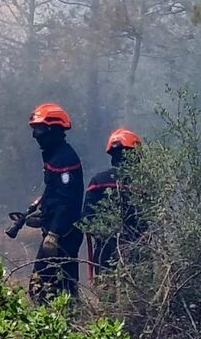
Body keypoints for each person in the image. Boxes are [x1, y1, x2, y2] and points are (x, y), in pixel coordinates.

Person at [14, 102, 85, 301]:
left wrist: (53, 232)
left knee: (48, 288)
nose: (35, 135)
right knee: (53, 287)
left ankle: (65, 325)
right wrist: (41, 211)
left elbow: (67, 199)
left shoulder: (65, 158)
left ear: (53, 130)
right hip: (56, 231)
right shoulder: (54, 155)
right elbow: (53, 191)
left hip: (64, 234)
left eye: (39, 129)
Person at [82, 128, 144, 277]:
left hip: (105, 251)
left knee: (106, 294)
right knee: (140, 293)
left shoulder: (98, 181)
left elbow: (86, 218)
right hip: (137, 253)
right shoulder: (143, 184)